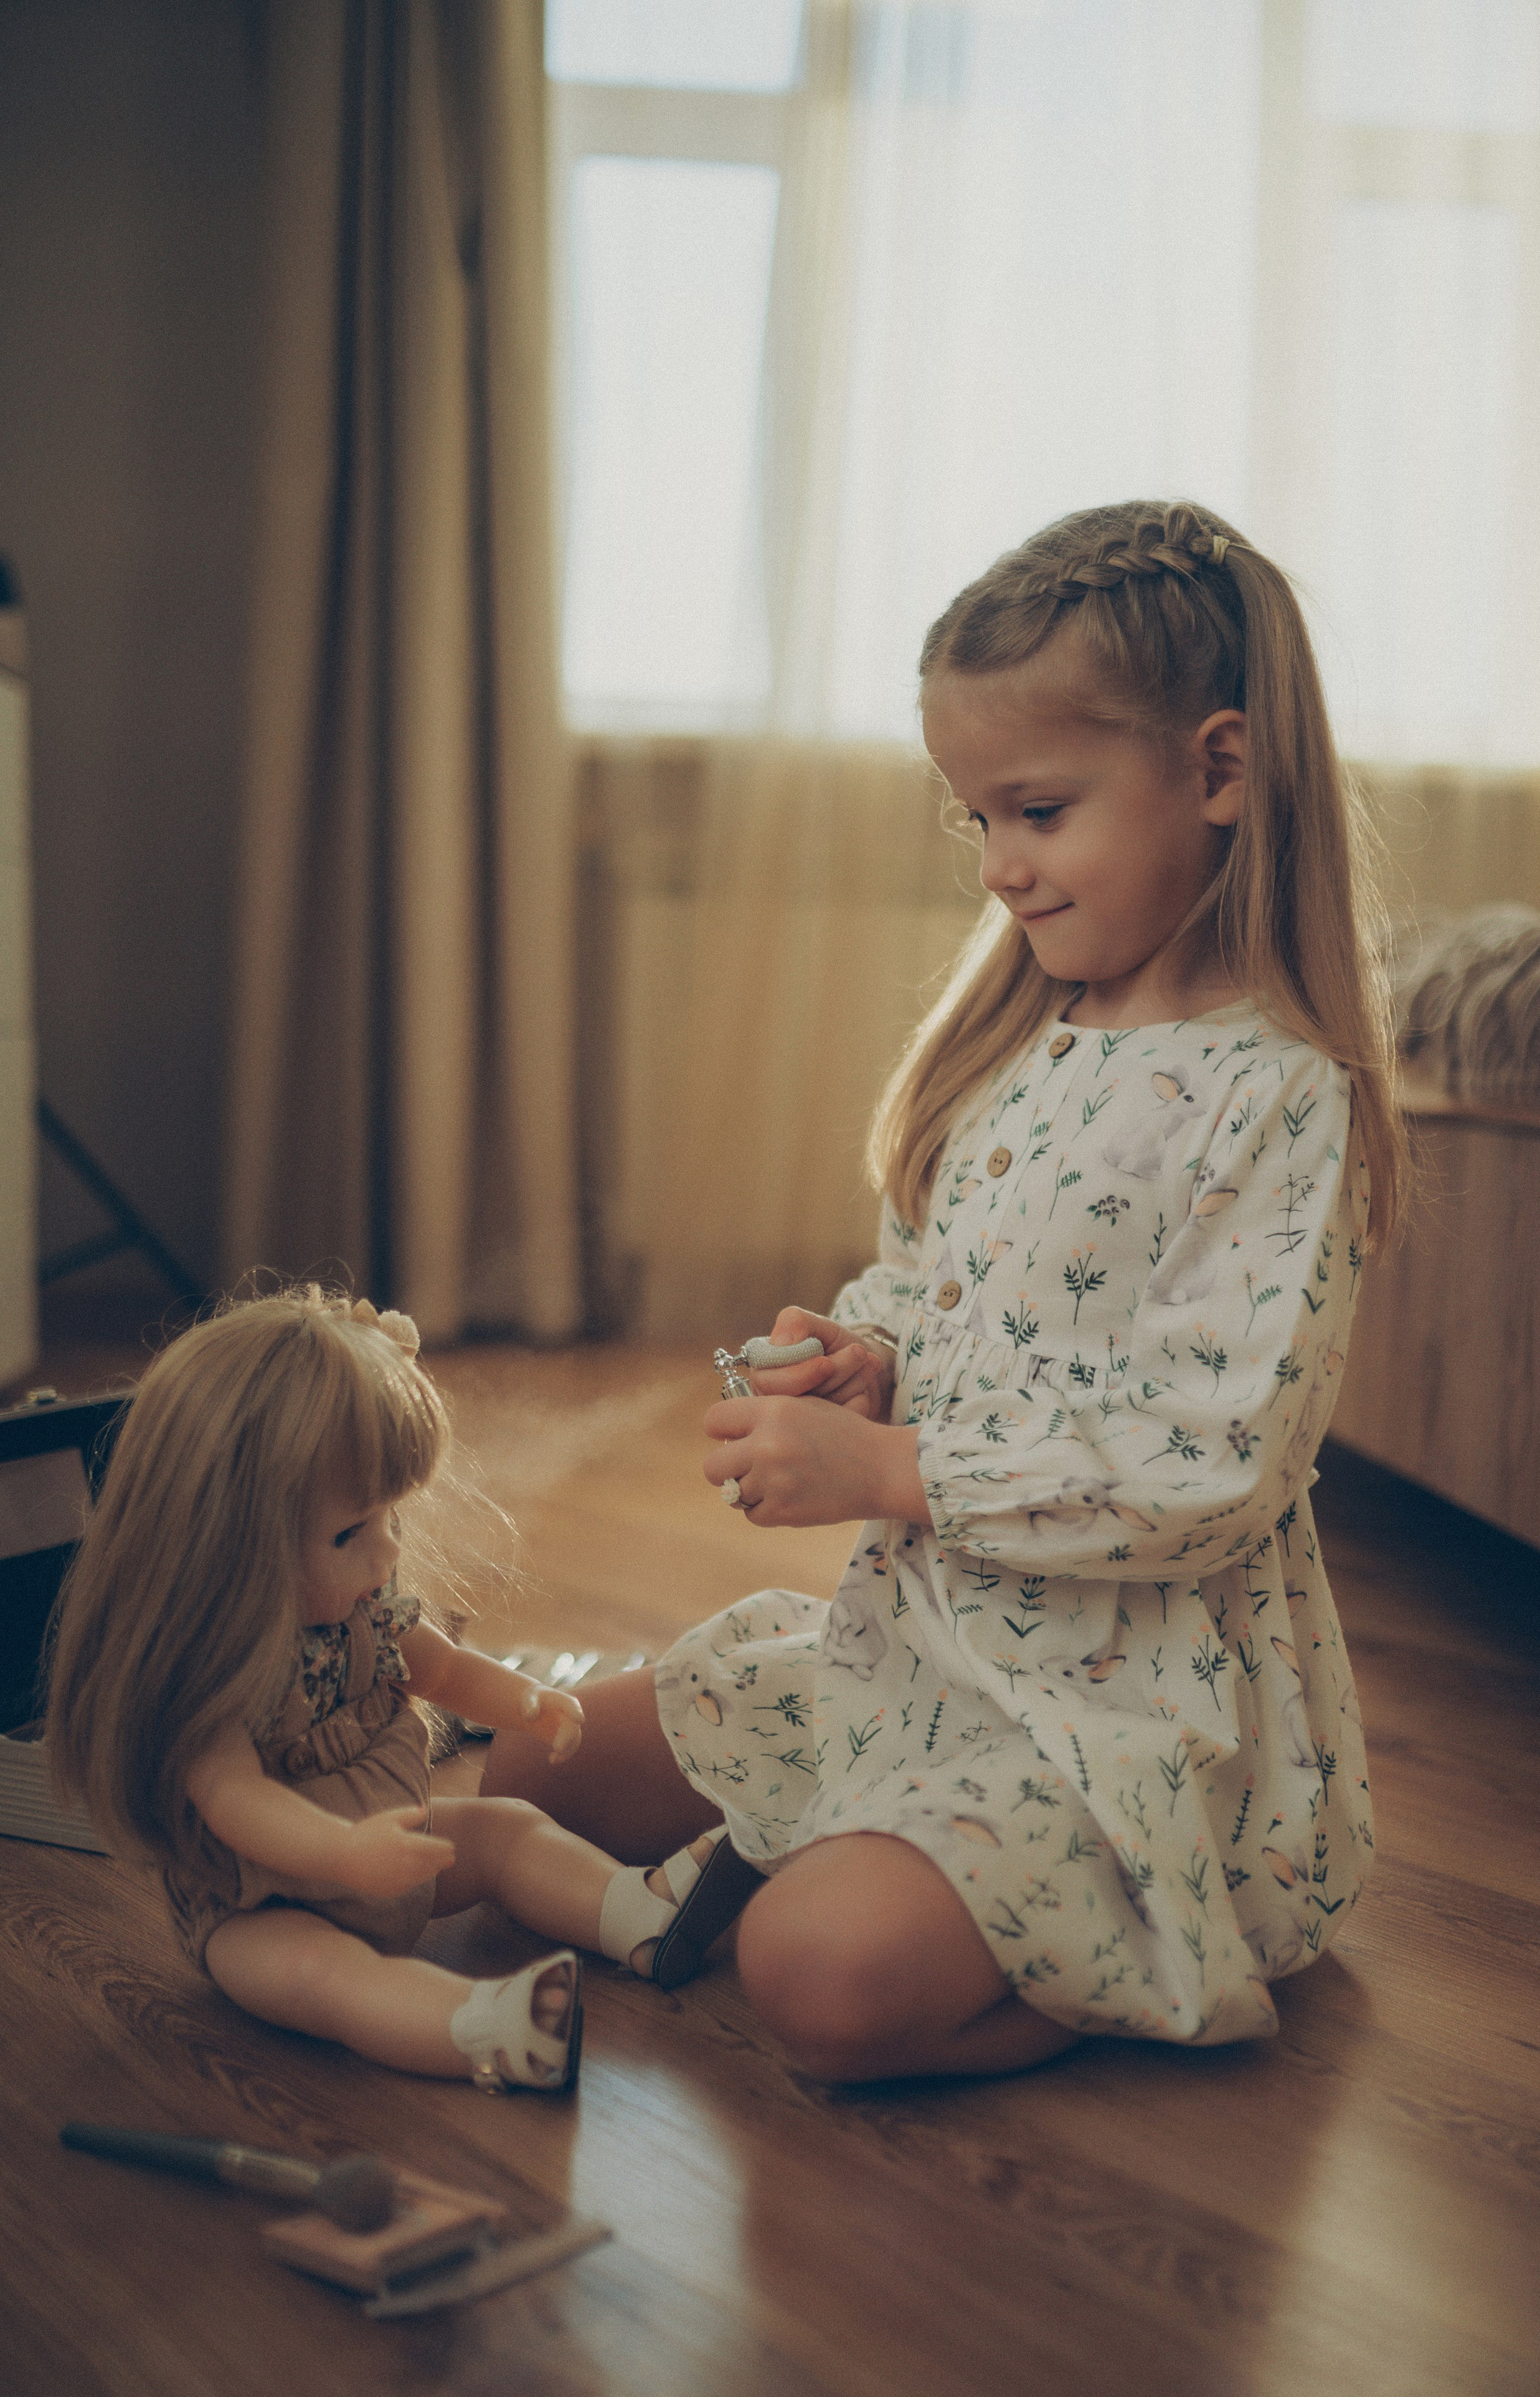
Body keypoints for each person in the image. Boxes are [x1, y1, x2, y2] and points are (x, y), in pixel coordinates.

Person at [481, 498, 1404, 2083]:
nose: (997, 870)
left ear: (1219, 769)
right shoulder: (1033, 1043)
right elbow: (940, 1278)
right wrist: (866, 1358)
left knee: (811, 1973)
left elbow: (1208, 1466)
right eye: (971, 820)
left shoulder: (1278, 1097)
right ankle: (859, 1852)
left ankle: (1125, 1923)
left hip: (1116, 1705)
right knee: (537, 1763)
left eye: (1035, 811)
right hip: (920, 1644)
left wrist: (891, 1469)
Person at [45, 1289, 743, 2092]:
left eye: (391, 1520)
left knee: (505, 1829)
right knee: (333, 1978)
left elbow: (442, 1669)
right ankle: (482, 2028)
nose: (384, 1557)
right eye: (350, 1533)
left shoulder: (366, 1617)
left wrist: (525, 1701)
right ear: (231, 1546)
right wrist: (345, 1853)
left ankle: (638, 1914)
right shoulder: (219, 1682)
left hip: (395, 1850)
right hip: (265, 1912)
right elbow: (238, 1802)